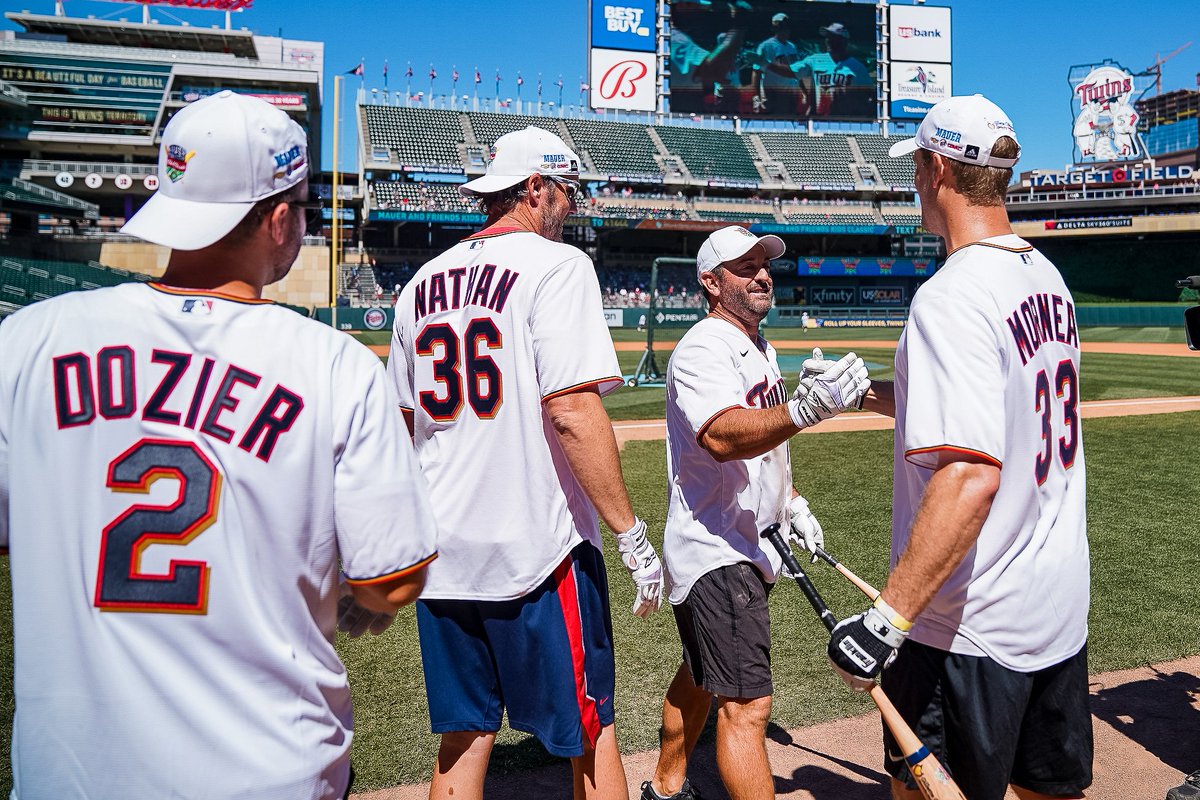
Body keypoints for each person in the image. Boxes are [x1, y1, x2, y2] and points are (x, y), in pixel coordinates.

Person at [0, 91, 437, 798]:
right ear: (277, 218)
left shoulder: (24, 342)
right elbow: (390, 578)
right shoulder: (335, 365)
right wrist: (372, 604)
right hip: (270, 772)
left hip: (68, 777)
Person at [824, 95, 1092, 800]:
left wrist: (887, 619)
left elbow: (970, 474)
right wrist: (862, 392)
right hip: (1056, 609)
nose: (914, 180)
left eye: (915, 166)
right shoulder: (1044, 276)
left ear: (937, 167)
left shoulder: (951, 295)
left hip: (968, 630)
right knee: (1046, 789)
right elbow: (996, 408)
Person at [388, 126, 664, 800]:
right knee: (591, 730)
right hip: (537, 546)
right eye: (568, 190)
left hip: (443, 547)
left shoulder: (420, 282)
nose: (573, 205)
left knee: (465, 736)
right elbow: (571, 410)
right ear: (535, 188)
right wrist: (630, 534)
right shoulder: (557, 266)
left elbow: (401, 425)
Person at [641, 225, 870, 800]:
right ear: (711, 283)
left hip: (747, 541)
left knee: (700, 677)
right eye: (744, 267)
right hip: (717, 547)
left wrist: (792, 503)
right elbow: (721, 434)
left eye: (764, 264)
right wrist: (804, 409)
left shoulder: (759, 349)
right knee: (747, 706)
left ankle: (666, 787)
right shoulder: (702, 348)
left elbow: (767, 449)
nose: (762, 274)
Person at [791, 22, 871, 118]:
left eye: (833, 38)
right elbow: (791, 71)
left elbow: (868, 96)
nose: (828, 40)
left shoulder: (857, 67)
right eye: (827, 37)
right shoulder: (815, 60)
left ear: (843, 41)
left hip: (846, 122)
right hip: (819, 121)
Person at [752, 13, 802, 116]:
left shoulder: (792, 46)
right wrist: (757, 96)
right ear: (774, 28)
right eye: (781, 27)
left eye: (786, 27)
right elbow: (756, 72)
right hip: (772, 93)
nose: (785, 30)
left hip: (790, 93)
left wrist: (803, 92)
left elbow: (796, 72)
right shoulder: (766, 46)